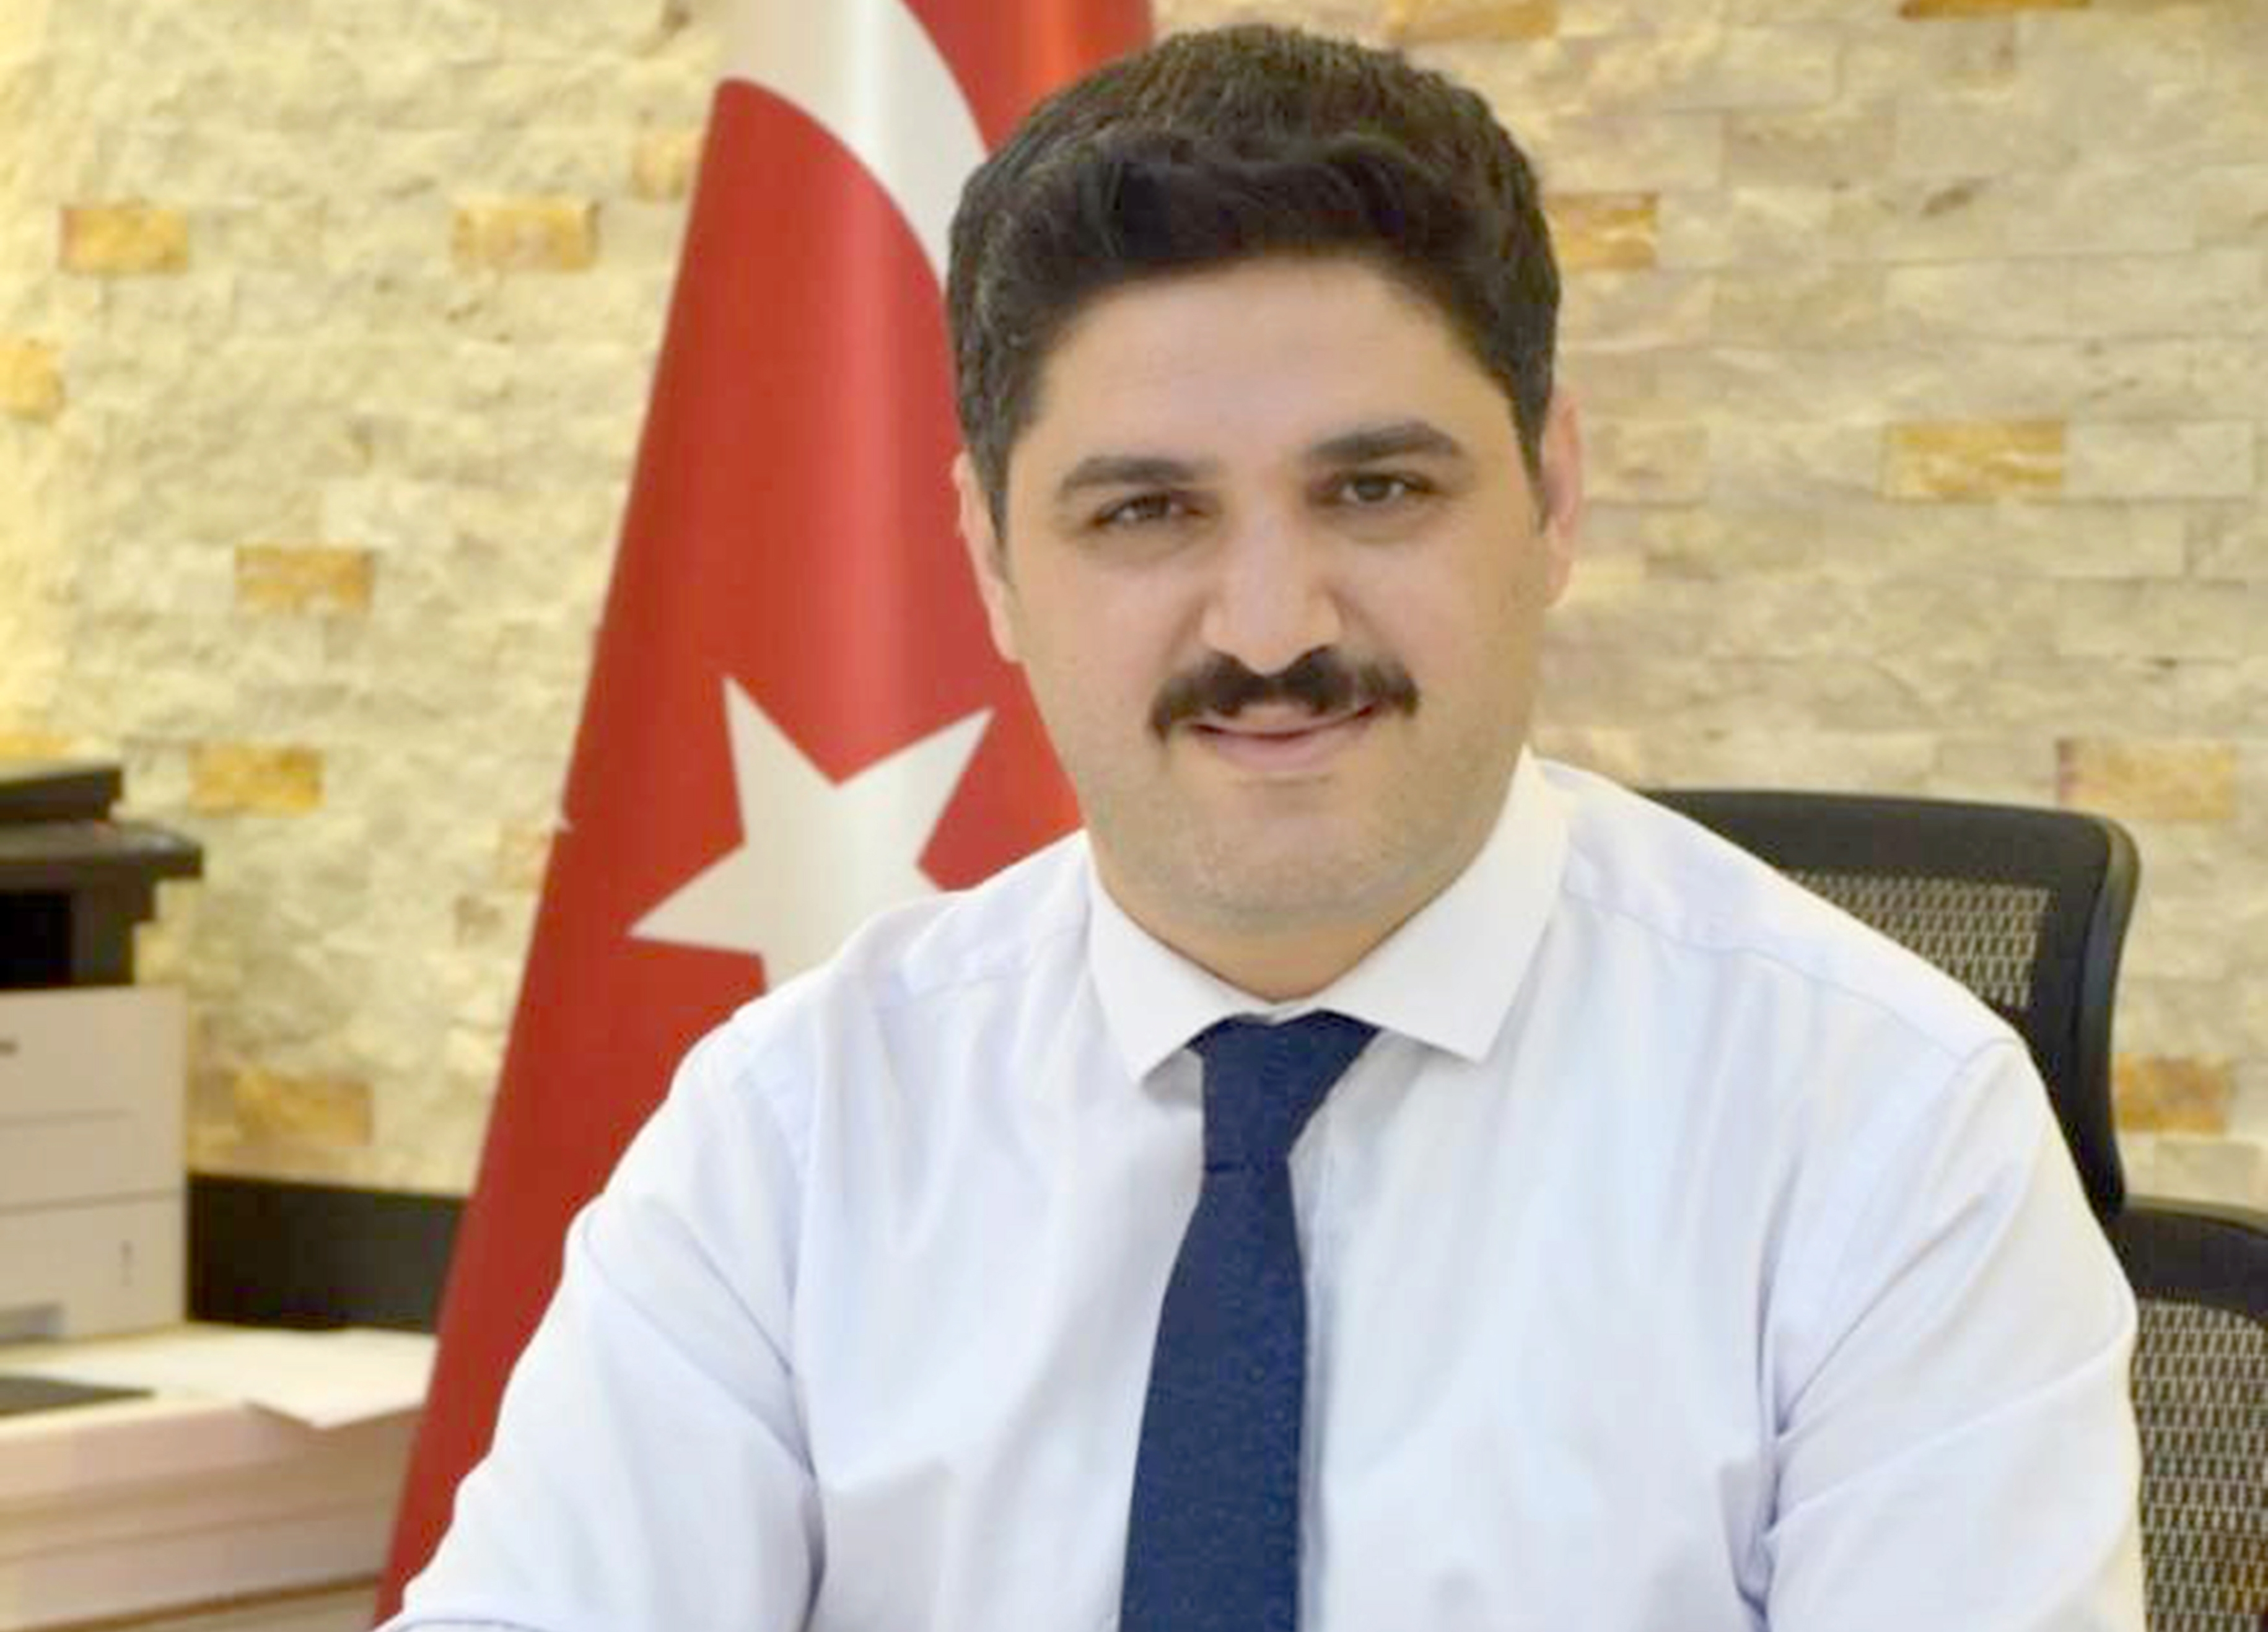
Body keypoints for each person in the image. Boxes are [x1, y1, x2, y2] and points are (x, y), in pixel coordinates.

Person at [387, 24, 2144, 1631]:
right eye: (1146, 512)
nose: (1271, 624)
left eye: (1374, 489)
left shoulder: (1884, 1133)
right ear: (991, 562)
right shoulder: (798, 1129)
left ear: (1551, 498)